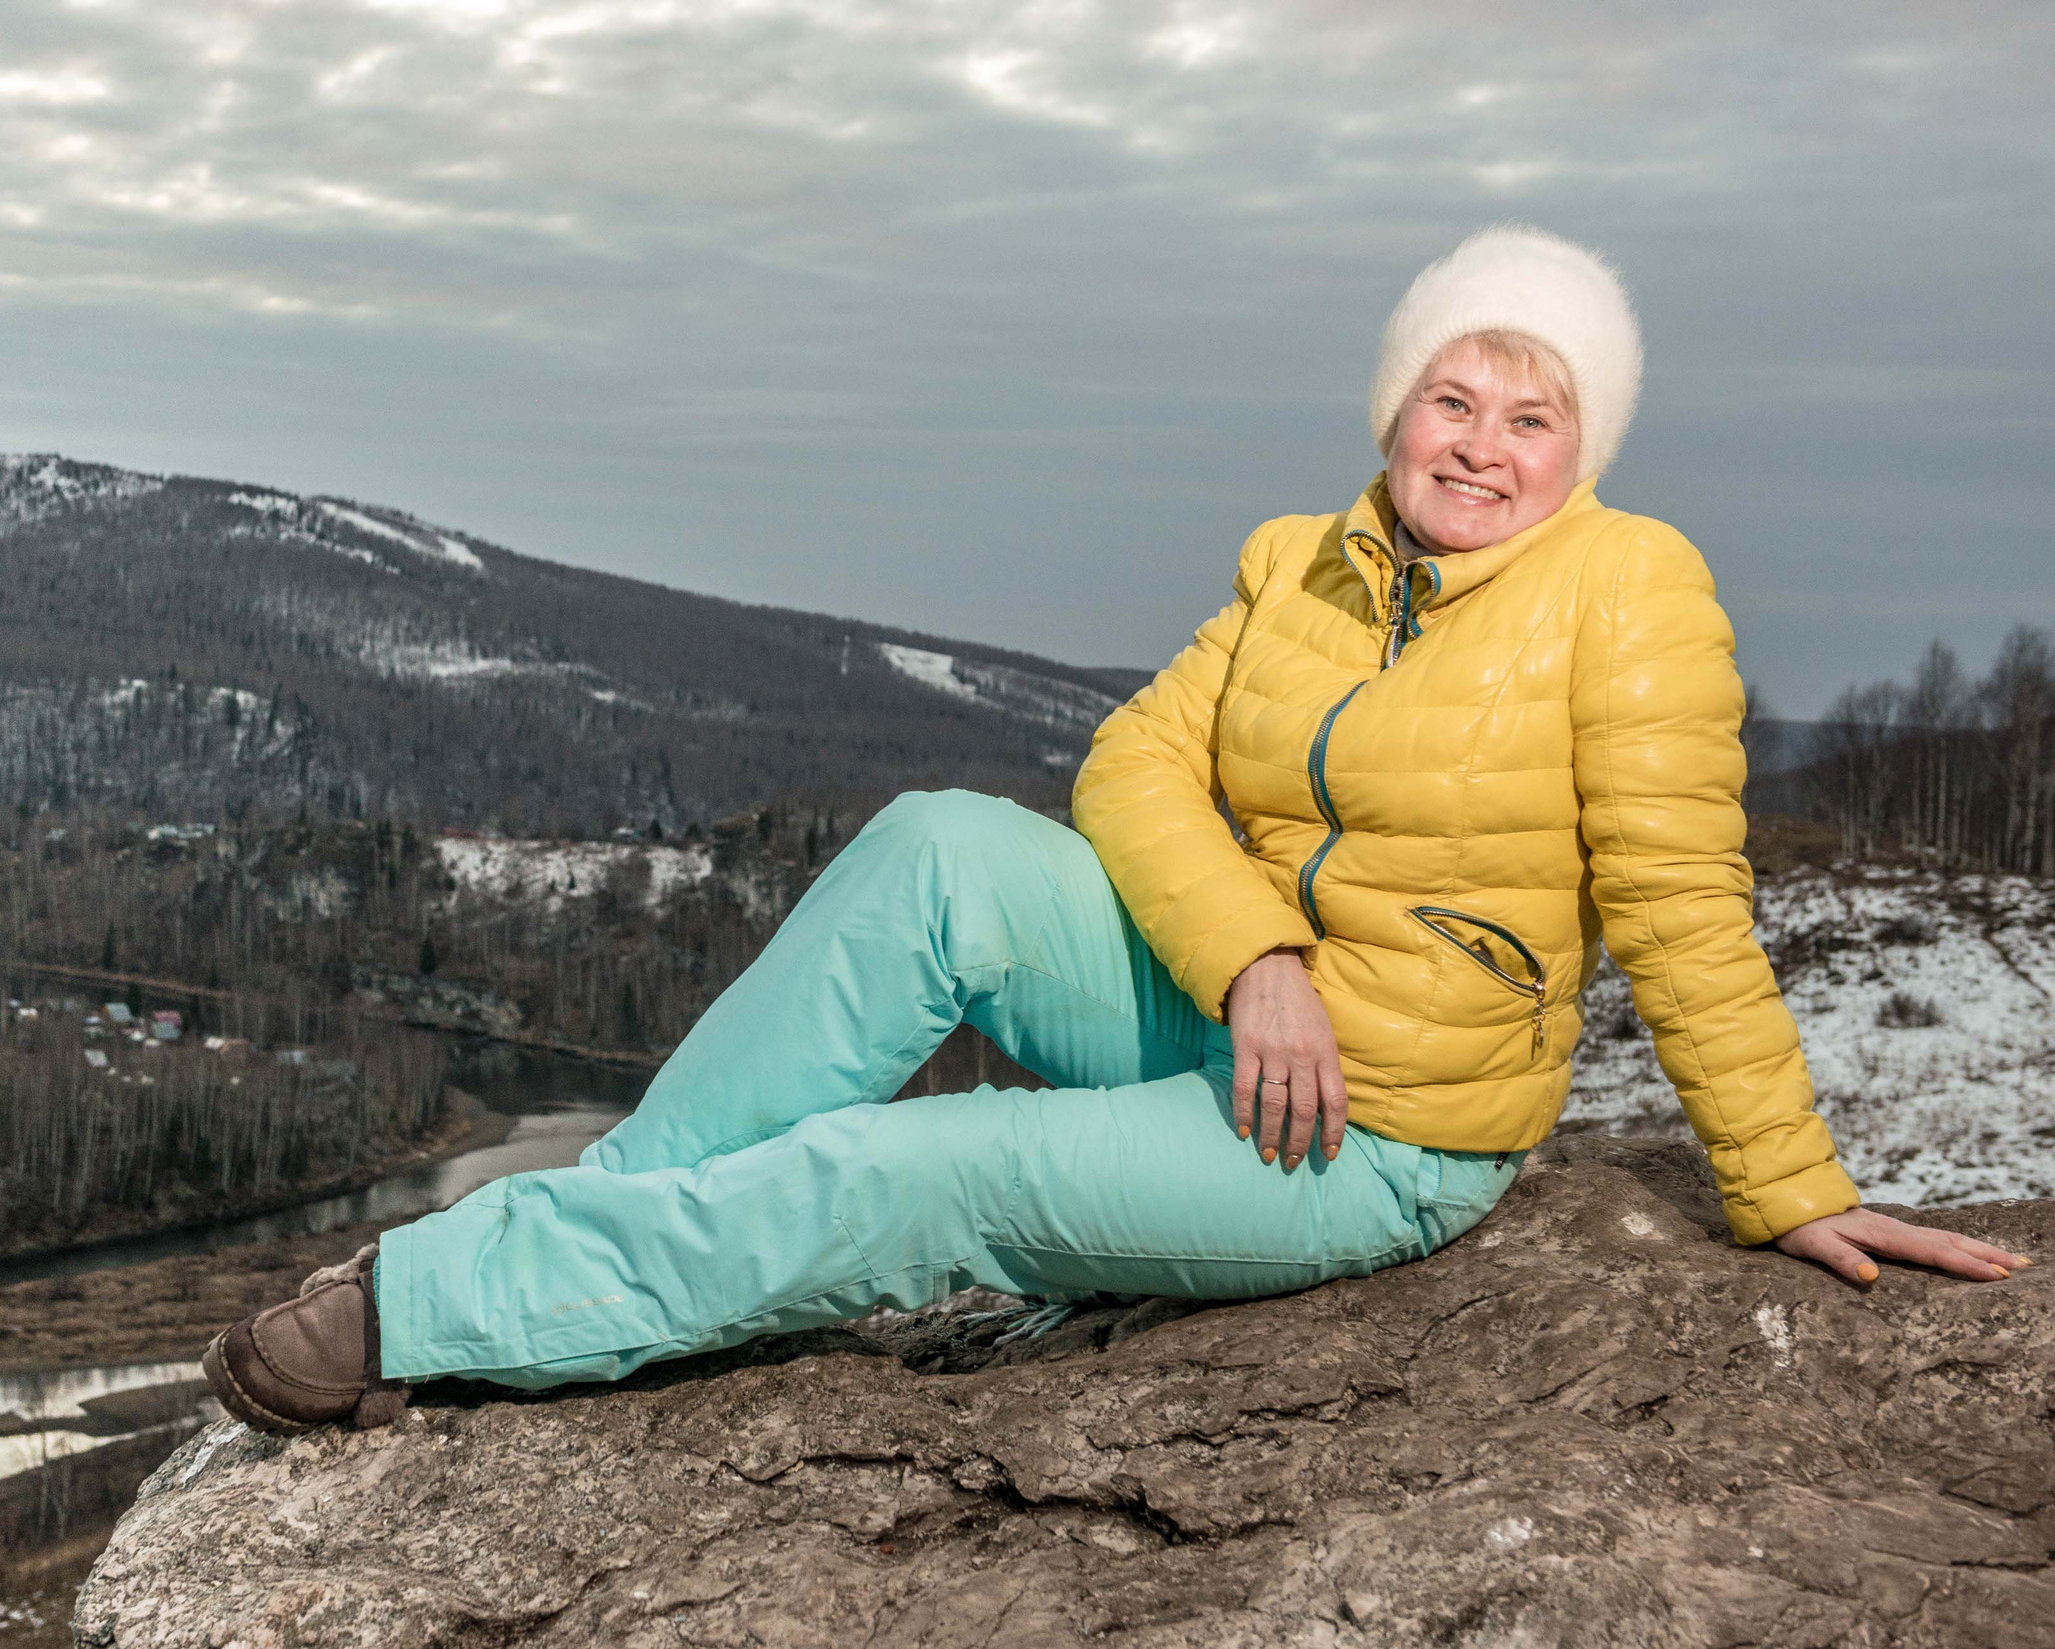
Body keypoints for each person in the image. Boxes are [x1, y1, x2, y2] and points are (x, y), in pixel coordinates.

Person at [203, 226, 2028, 1436]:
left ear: (1586, 448)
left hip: (1385, 1131)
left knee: (939, 1171)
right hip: (1247, 1024)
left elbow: (1684, 900)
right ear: (1394, 404)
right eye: (1450, 397)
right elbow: (1131, 769)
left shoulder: (1632, 592)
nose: (1479, 444)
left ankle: (437, 1304)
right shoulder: (1311, 562)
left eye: (1530, 416)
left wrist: (1791, 1180)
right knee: (936, 843)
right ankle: (599, 1244)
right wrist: (1259, 958)